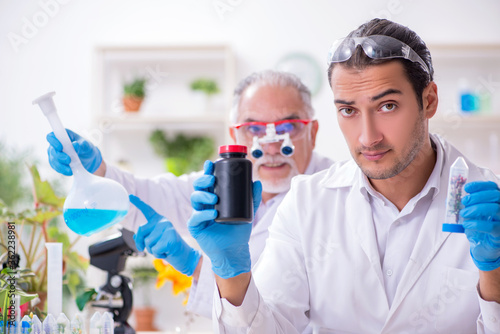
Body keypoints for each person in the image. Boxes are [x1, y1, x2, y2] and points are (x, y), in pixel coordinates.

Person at [187, 18, 500, 333]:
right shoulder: (307, 201)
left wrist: (495, 275)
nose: (367, 137)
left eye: (387, 106)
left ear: (428, 100)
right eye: (348, 111)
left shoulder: (489, 206)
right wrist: (231, 271)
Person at [46, 70, 333, 318]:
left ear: (313, 131)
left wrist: (194, 264)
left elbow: (276, 312)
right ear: (235, 136)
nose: (271, 145)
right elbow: (144, 199)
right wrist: (98, 169)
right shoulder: (226, 183)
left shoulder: (334, 199)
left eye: (288, 127)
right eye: (253, 128)